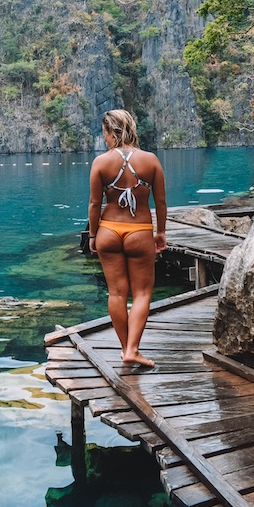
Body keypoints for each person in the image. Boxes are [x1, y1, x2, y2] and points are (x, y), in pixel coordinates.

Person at [88, 109, 167, 369]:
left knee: (117, 293)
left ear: (111, 132)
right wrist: (161, 233)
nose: (105, 139)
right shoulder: (151, 160)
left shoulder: (100, 162)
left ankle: (126, 348)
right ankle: (132, 349)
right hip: (139, 231)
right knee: (142, 293)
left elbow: (94, 204)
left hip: (108, 231)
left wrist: (92, 234)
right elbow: (161, 202)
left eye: (105, 134)